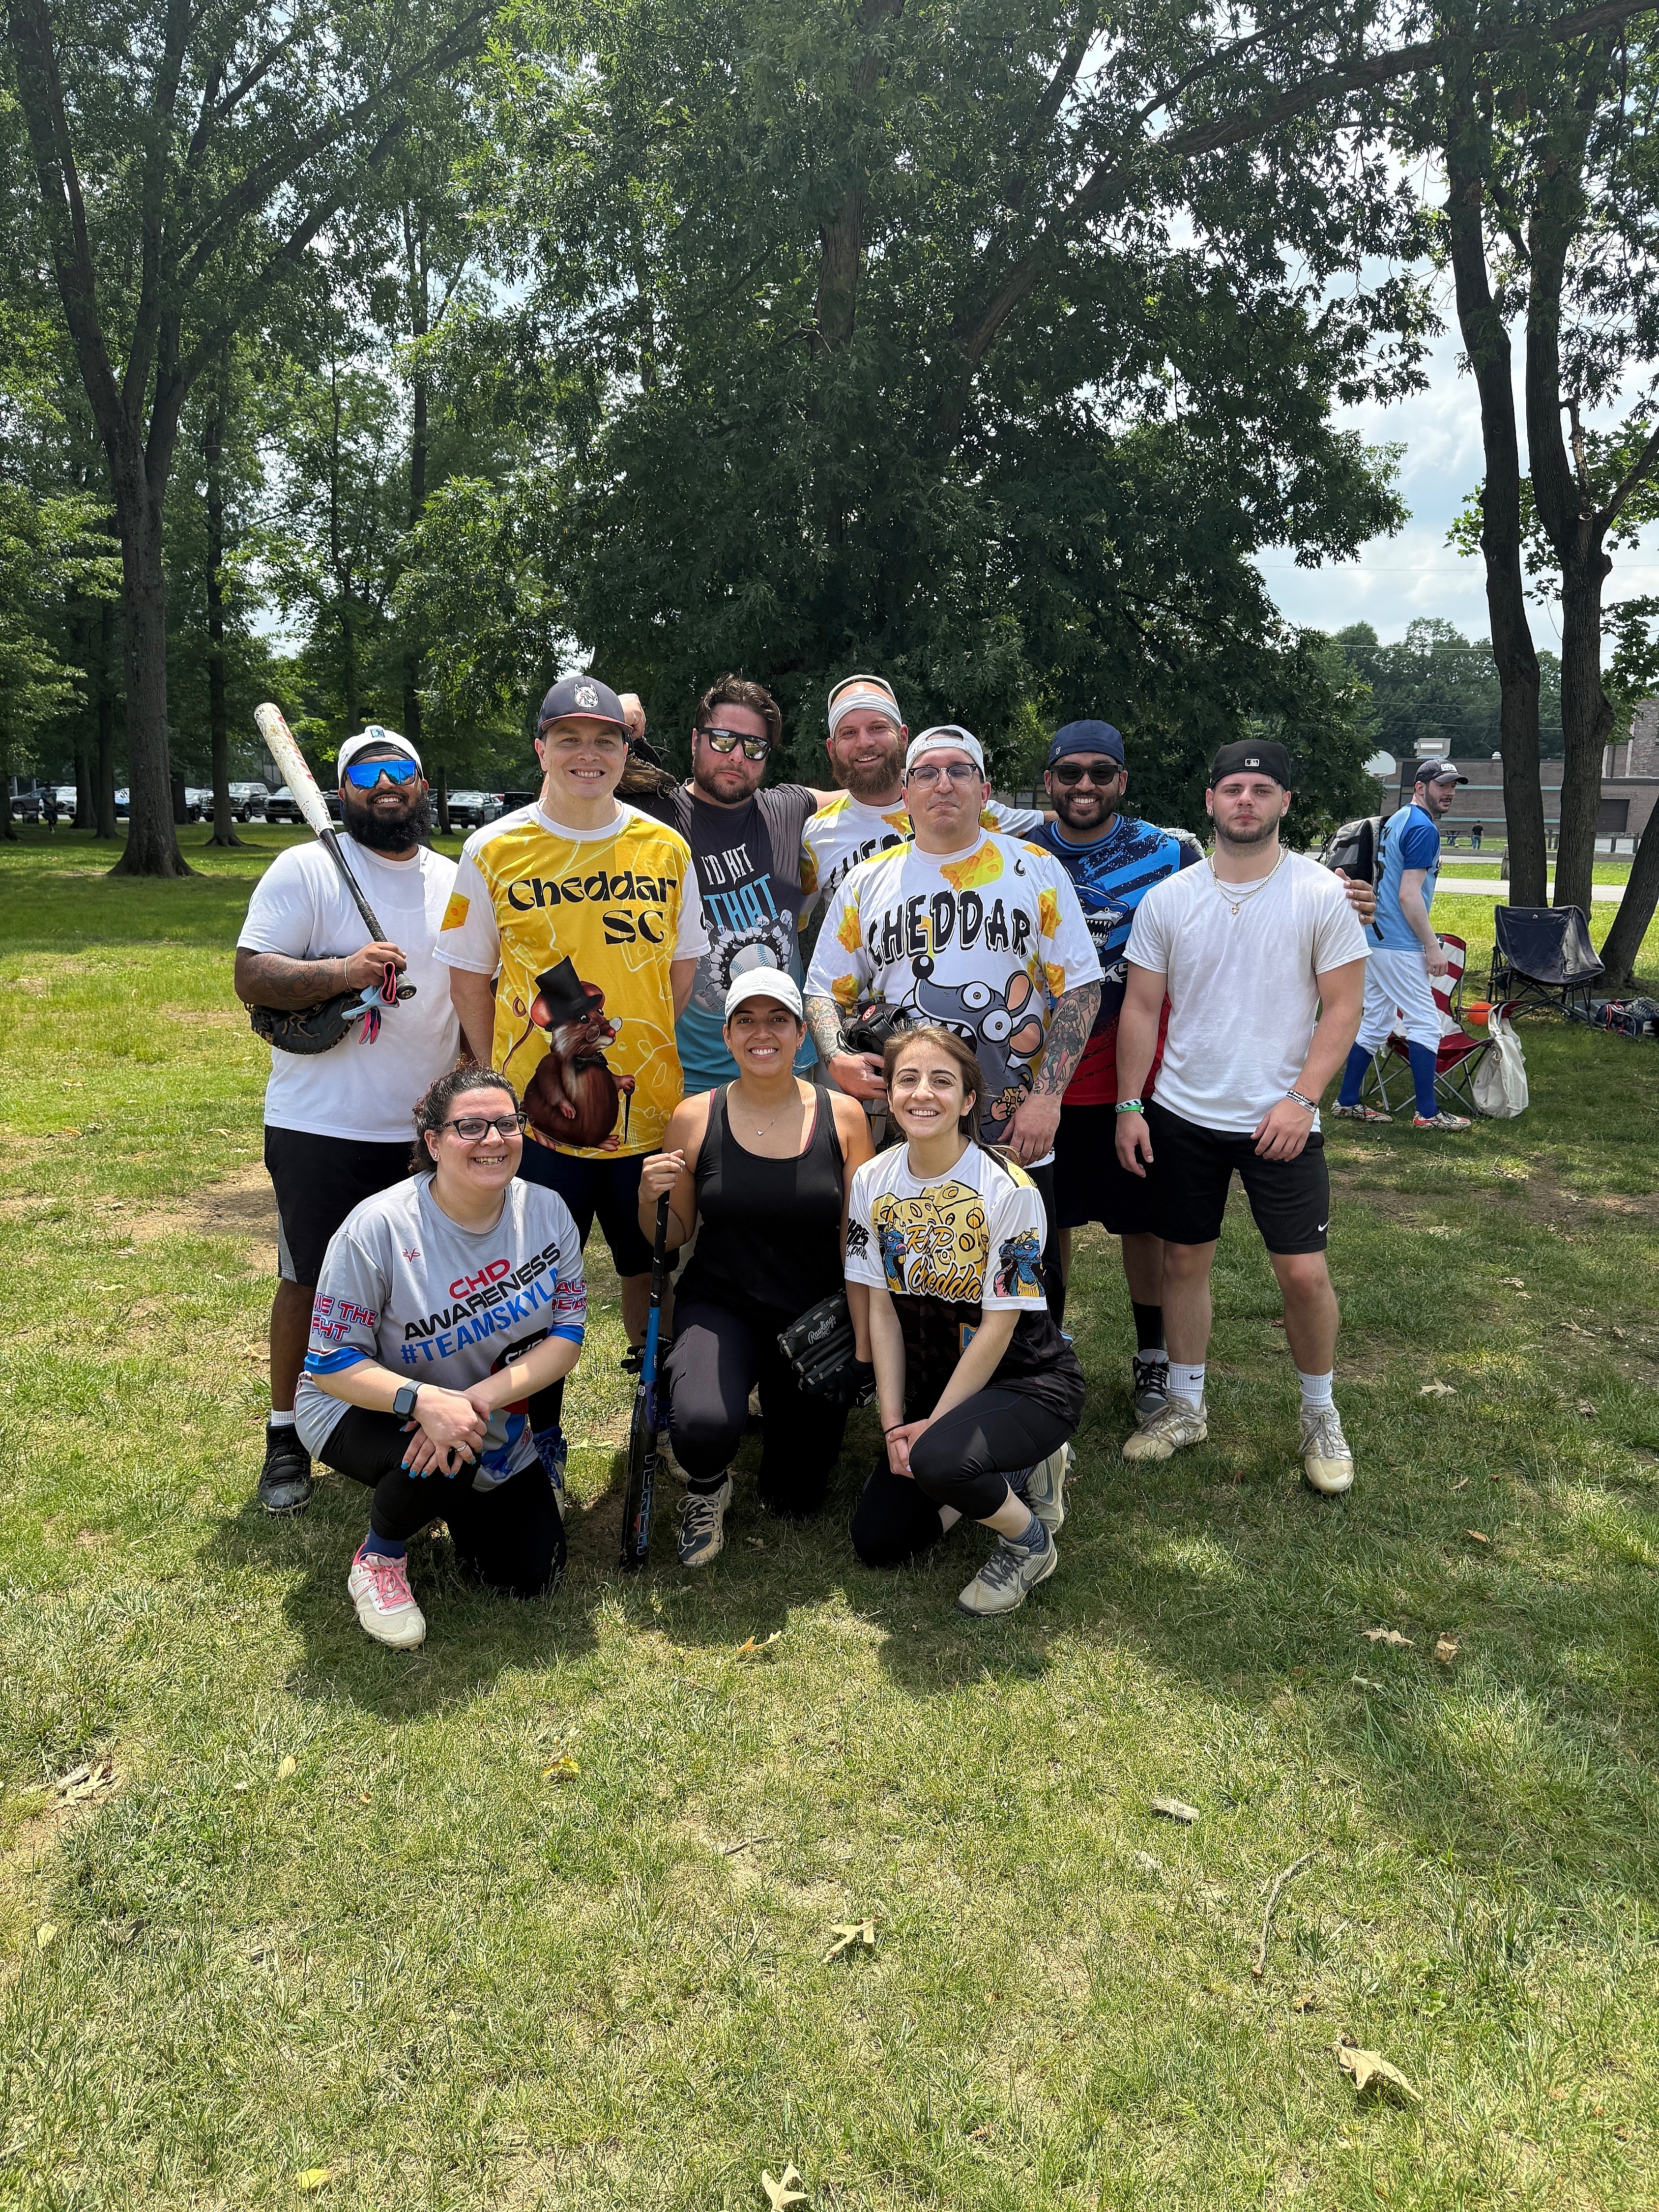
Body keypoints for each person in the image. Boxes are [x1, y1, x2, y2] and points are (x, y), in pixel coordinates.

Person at [1032, 720, 1377, 1424]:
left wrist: (1302, 1097)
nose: (1085, 785)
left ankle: (1193, 1374)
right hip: (1073, 1081)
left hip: (1202, 1094)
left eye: (1102, 772)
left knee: (1182, 1241)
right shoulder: (1024, 853)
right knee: (1053, 1225)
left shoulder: (1173, 855)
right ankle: (1057, 1356)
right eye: (1070, 774)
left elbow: (1339, 1000)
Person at [1113, 739, 1368, 1493]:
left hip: (1280, 1117)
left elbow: (1343, 1007)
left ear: (1284, 802)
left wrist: (1301, 1099)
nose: (1246, 801)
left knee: (1301, 1274)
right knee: (1183, 1261)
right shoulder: (1170, 898)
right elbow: (1140, 1007)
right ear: (1209, 801)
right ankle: (1184, 1406)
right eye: (1232, 788)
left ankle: (1319, 1414)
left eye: (1261, 788)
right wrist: (1130, 1105)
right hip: (1182, 1112)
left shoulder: (1319, 895)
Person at [436, 672, 707, 1364]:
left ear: (625, 751)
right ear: (541, 749)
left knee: (649, 1269)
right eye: (569, 739)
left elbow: (680, 969)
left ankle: (659, 1401)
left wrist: (629, 1040)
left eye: (604, 740)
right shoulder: (494, 849)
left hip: (644, 1111)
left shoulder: (666, 848)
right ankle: (537, 1431)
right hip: (533, 1115)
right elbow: (468, 972)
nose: (587, 754)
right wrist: (491, 1065)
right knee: (528, 1281)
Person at [235, 725, 460, 1515]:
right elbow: (251, 973)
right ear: (341, 793)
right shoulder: (308, 868)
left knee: (423, 1290)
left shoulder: (455, 878)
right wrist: (343, 970)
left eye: (401, 769)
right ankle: (286, 1434)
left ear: (424, 786)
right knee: (307, 1281)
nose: (386, 783)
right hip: (320, 1125)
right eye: (365, 774)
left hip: (425, 1131)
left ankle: (409, 1415)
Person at [804, 725, 1100, 1310]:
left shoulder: (1034, 868)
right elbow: (821, 990)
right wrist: (837, 1053)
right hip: (910, 1117)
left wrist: (1047, 1098)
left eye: (959, 771)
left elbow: (1081, 990)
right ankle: (926, 1383)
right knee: (920, 1265)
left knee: (1026, 1267)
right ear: (907, 793)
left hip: (1015, 1119)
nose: (944, 784)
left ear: (984, 789)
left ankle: (1034, 1380)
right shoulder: (868, 882)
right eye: (927, 773)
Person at [295, 1068, 586, 1650]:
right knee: (445, 1452)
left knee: (533, 1574)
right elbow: (330, 1361)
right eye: (470, 1127)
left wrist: (475, 1401)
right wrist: (426, 1401)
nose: (493, 1140)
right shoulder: (375, 1229)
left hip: (480, 1414)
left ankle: (444, 1491)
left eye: (507, 1124)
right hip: (356, 1405)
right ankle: (381, 1555)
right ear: (433, 1143)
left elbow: (567, 1336)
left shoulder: (550, 1212)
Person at [637, 968, 874, 1565]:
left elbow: (858, 1240)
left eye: (777, 1021)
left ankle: (786, 1422)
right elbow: (676, 1234)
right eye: (746, 1020)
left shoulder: (845, 1116)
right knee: (700, 1429)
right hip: (723, 1304)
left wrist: (863, 1338)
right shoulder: (695, 1116)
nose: (761, 1033)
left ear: (800, 1035)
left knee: (796, 1497)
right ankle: (709, 1485)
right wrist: (649, 1198)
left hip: (812, 1317)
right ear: (727, 1035)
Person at [846, 1026, 1084, 1615]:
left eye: (941, 1081)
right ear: (891, 1095)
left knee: (940, 1460)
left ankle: (1029, 1544)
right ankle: (1014, 1464)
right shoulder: (871, 1181)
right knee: (878, 1542)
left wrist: (932, 1434)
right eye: (907, 1079)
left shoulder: (1011, 1191)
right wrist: (895, 1424)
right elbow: (882, 1311)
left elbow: (1000, 1329)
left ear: (969, 1100)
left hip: (1028, 1381)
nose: (922, 1094)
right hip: (939, 1383)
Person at [643, 674, 835, 1095]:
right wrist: (618, 712)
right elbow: (567, 796)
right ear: (695, 740)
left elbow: (865, 803)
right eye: (722, 740)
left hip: (788, 1070)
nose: (736, 757)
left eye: (753, 747)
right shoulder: (656, 816)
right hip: (690, 1078)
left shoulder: (785, 808)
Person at [799, 674, 1044, 956]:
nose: (864, 742)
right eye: (849, 733)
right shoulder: (817, 835)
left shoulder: (958, 804)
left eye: (878, 728)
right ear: (832, 749)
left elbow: (1053, 820)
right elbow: (790, 927)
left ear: (903, 737)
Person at [1334, 757, 1471, 1134]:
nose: (1449, 793)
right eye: (1442, 786)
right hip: (1398, 942)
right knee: (1425, 1024)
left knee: (1376, 1021)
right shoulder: (1423, 829)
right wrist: (1432, 947)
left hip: (1374, 937)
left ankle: (1347, 1102)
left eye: (1453, 787)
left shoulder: (1396, 820)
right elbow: (1410, 895)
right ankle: (1427, 1113)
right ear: (1419, 787)